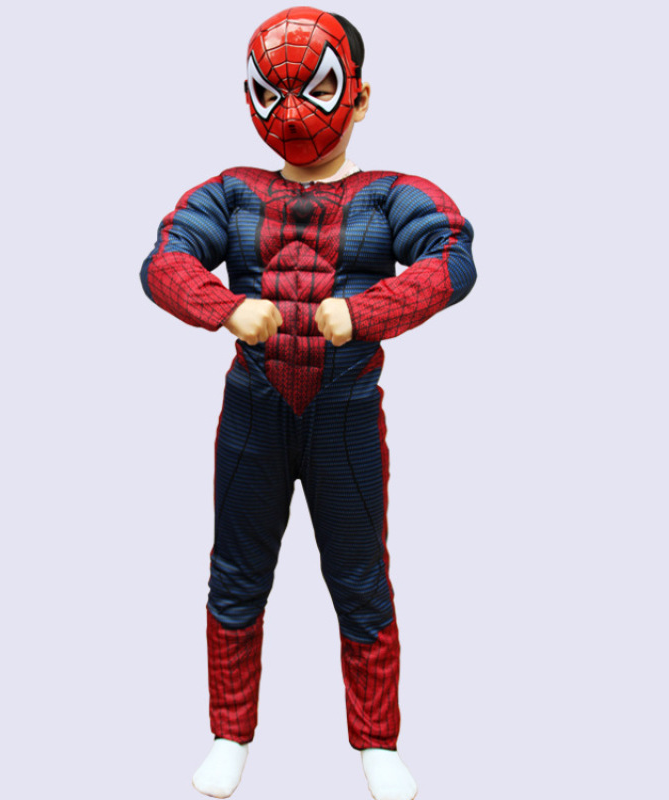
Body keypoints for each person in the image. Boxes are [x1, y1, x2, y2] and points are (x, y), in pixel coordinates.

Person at [140, 7, 476, 800]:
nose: (292, 113)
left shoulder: (389, 195)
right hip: (253, 416)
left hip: (345, 417)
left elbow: (453, 256)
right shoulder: (232, 193)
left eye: (316, 89)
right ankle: (229, 734)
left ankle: (377, 742)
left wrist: (369, 311)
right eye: (272, 91)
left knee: (360, 580)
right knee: (235, 576)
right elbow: (164, 261)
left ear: (359, 97)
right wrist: (224, 308)